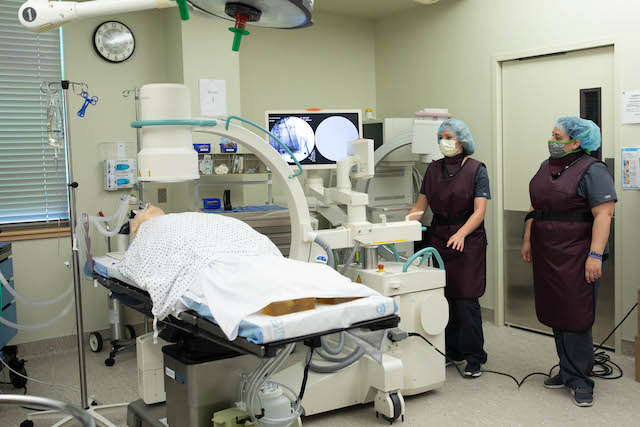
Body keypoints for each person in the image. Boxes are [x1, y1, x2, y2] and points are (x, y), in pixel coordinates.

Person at [521, 116, 616, 407]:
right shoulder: (545, 166)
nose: (552, 140)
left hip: (577, 253)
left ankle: (581, 380)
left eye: (558, 136)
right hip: (547, 251)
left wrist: (595, 255)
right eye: (552, 134)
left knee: (575, 314)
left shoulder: (593, 170)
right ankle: (565, 370)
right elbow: (535, 208)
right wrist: (527, 239)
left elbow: (604, 215)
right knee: (555, 310)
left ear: (577, 142)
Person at [407, 119, 490, 377]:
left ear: (462, 141)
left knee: (466, 300)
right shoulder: (433, 170)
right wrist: (400, 228)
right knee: (444, 298)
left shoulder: (477, 169)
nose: (444, 141)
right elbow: (421, 206)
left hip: (468, 240)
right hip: (439, 237)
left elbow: (480, 211)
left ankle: (474, 356)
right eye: (441, 136)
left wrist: (462, 233)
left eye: (449, 136)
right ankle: (452, 350)